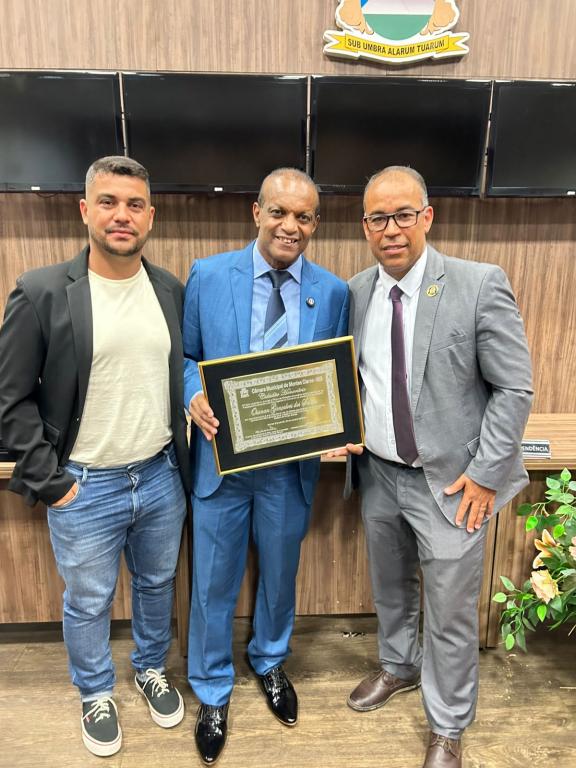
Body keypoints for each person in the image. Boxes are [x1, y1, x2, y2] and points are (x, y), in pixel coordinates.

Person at [334, 166, 532, 768]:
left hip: (453, 483)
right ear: (364, 226)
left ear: (427, 216)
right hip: (380, 474)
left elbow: (514, 389)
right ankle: (399, 666)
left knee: (449, 611)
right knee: (391, 587)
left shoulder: (478, 284)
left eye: (402, 215)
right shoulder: (356, 292)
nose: (390, 229)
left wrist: (487, 474)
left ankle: (447, 725)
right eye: (377, 218)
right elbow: (355, 380)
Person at [0, 156, 191, 758]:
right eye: (108, 202)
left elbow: (182, 372)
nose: (121, 215)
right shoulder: (40, 292)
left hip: (160, 476)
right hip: (84, 486)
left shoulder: (169, 290)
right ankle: (95, 692)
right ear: (85, 210)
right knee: (87, 601)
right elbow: (10, 400)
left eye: (134, 205)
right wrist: (52, 483)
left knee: (157, 586)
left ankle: (150, 668)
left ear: (151, 216)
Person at [183, 167, 349, 764]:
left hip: (289, 468)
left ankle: (271, 660)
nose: (290, 226)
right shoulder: (207, 275)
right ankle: (211, 688)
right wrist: (192, 393)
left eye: (303, 216)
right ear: (256, 212)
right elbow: (186, 356)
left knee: (280, 576)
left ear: (316, 224)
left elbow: (335, 374)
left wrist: (336, 424)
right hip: (221, 462)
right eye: (279, 212)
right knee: (212, 583)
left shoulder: (333, 292)